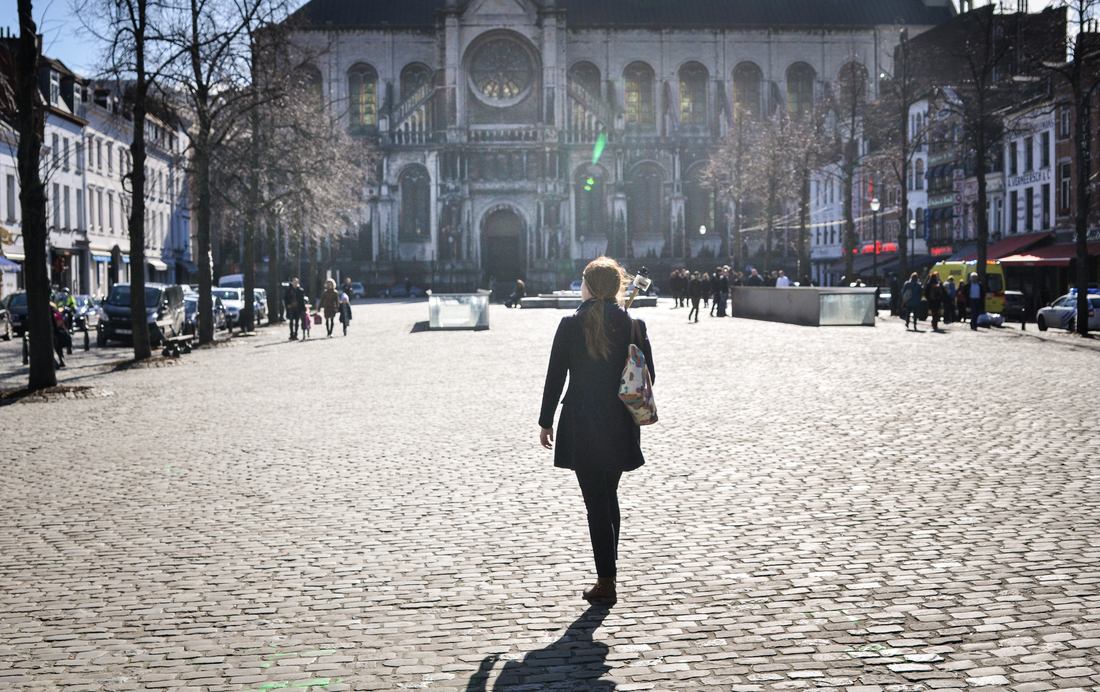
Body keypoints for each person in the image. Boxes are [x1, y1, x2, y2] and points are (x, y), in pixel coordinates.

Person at [539, 257, 655, 605]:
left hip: (582, 422)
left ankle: (606, 581)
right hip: (620, 421)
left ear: (589, 286)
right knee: (608, 496)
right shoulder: (633, 324)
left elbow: (555, 376)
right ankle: (609, 571)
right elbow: (648, 376)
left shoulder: (570, 324)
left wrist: (546, 421)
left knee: (596, 504)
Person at [50, 302, 70, 368]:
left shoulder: (48, 313)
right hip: (56, 331)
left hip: (52, 332)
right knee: (58, 347)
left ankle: (56, 362)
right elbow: (61, 322)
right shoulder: (56, 313)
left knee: (53, 348)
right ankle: (60, 361)